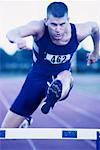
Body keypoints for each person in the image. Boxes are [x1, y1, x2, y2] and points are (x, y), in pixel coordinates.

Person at [1, 2, 99, 128]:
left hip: (61, 78)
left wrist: (96, 51)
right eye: (53, 24)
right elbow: (12, 32)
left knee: (66, 76)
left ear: (68, 20)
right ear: (46, 21)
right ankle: (26, 120)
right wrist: (18, 39)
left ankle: (53, 95)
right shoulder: (39, 28)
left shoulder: (78, 32)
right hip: (35, 80)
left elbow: (95, 28)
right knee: (6, 131)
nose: (58, 29)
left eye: (62, 24)